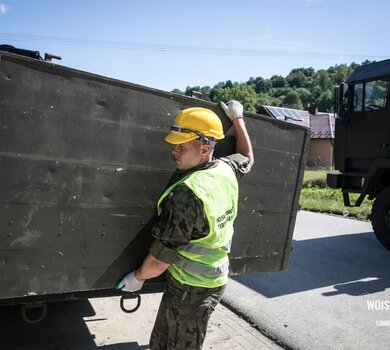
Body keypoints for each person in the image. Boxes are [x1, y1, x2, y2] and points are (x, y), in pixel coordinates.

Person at [117, 100, 254, 350]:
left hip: (192, 289)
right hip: (200, 283)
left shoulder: (188, 194)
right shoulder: (226, 169)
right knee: (160, 343)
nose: (174, 152)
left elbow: (159, 261)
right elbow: (247, 157)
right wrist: (238, 119)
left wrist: (137, 278)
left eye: (182, 147)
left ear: (204, 149)